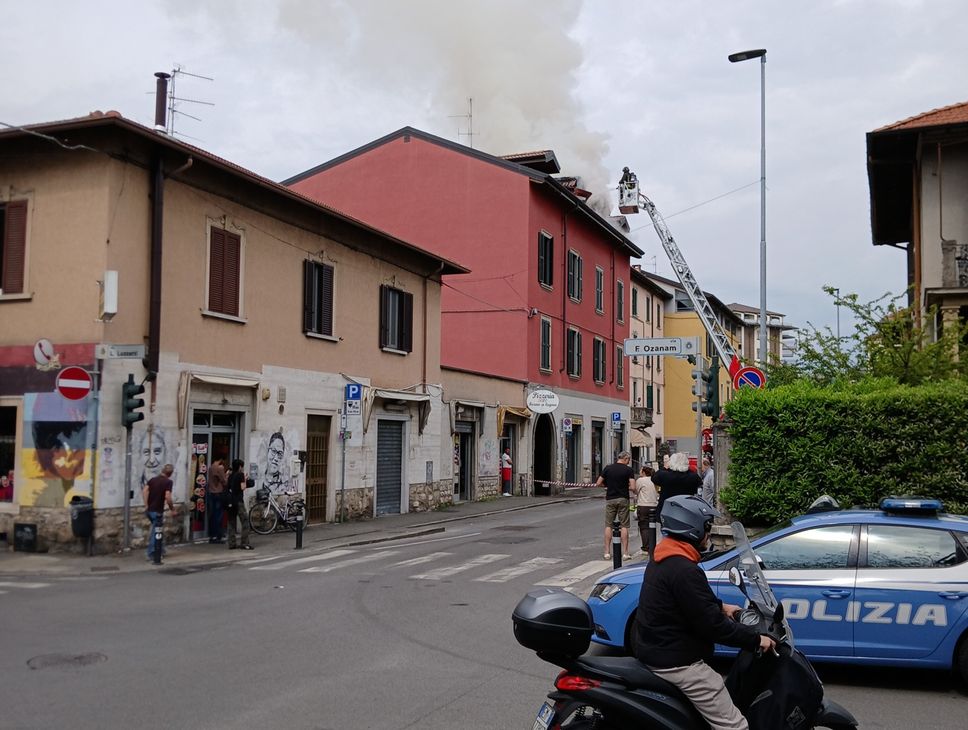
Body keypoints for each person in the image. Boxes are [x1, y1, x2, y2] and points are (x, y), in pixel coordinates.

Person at [632, 495, 775, 729]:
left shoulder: (664, 558)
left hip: (657, 650)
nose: (709, 534)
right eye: (707, 527)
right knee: (735, 726)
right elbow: (714, 626)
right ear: (693, 529)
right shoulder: (683, 569)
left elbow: (691, 602)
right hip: (677, 662)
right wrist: (756, 640)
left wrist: (722, 607)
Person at [595, 451, 635, 560]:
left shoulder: (608, 468)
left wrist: (608, 486)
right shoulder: (628, 470)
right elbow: (633, 487)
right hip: (623, 499)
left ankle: (607, 552)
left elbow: (598, 483)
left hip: (611, 499)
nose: (629, 462)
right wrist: (625, 487)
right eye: (628, 460)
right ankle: (625, 553)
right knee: (624, 525)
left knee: (609, 525)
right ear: (625, 458)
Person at [652, 451, 703, 519]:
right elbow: (699, 484)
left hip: (667, 510)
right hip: (686, 510)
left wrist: (665, 467)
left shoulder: (664, 475)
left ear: (671, 463)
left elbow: (654, 478)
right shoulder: (693, 477)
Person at [142, 463, 176, 562]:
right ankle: (152, 553)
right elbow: (168, 496)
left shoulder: (153, 480)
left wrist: (146, 505)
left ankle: (161, 549)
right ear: (170, 474)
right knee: (156, 532)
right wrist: (172, 509)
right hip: (157, 511)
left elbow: (145, 490)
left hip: (150, 510)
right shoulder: (168, 482)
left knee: (158, 530)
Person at [225, 458, 253, 550]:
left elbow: (227, 486)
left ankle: (232, 543)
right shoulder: (240, 475)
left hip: (230, 502)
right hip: (238, 501)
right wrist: (245, 479)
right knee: (245, 521)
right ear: (240, 467)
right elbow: (242, 487)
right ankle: (244, 543)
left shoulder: (230, 475)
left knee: (231, 522)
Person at [634, 465, 659, 557]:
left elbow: (636, 491)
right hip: (654, 505)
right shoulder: (655, 480)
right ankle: (653, 545)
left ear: (644, 472)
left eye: (640, 470)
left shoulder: (641, 480)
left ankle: (646, 547)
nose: (639, 472)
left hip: (643, 505)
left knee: (644, 527)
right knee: (652, 526)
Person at [207, 457, 227, 543]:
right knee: (218, 515)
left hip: (211, 492)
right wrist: (227, 475)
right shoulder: (220, 468)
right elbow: (224, 481)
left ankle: (213, 535)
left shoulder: (211, 467)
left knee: (213, 514)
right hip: (218, 492)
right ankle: (217, 536)